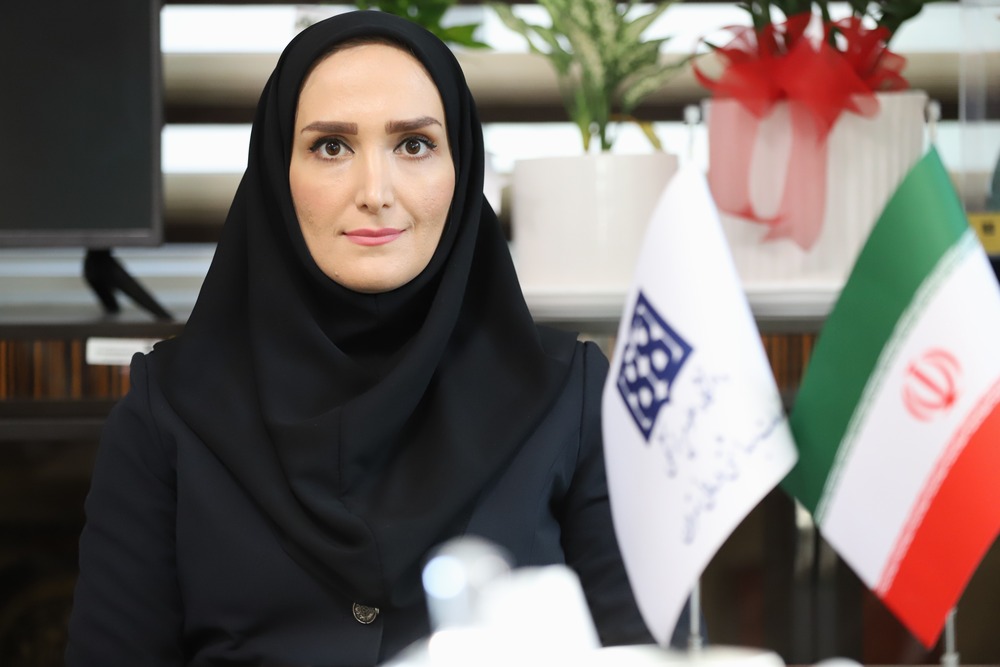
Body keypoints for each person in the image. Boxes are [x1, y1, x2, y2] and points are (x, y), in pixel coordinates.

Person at [66, 10, 688, 666]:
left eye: (414, 145)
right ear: (277, 171)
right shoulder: (167, 410)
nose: (375, 192)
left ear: (462, 165)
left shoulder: (570, 396)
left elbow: (642, 655)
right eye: (331, 147)